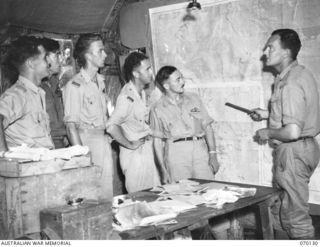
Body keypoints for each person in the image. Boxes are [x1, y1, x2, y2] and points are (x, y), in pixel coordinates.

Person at [250, 29, 320, 240]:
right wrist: (267, 114)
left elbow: (292, 131)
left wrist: (267, 131)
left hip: (293, 151)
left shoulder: (289, 83)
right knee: (280, 211)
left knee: (294, 218)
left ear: (286, 52)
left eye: (271, 47)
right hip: (304, 148)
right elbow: (299, 111)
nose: (265, 51)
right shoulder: (300, 74)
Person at [150, 66, 220, 184]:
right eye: (177, 80)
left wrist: (213, 154)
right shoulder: (158, 108)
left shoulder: (193, 99)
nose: (183, 82)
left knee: (208, 189)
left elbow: (207, 126)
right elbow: (157, 141)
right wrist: (163, 170)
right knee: (181, 194)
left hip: (199, 149)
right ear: (166, 86)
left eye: (181, 77)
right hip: (176, 153)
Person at [63, 34, 113, 199]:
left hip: (103, 140)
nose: (105, 55)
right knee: (91, 194)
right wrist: (83, 159)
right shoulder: (75, 85)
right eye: (100, 51)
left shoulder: (100, 81)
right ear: (88, 56)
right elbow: (71, 127)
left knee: (106, 193)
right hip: (87, 141)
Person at [106, 52, 160, 193]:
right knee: (140, 201)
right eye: (147, 69)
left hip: (146, 151)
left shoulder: (140, 93)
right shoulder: (126, 97)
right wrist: (129, 144)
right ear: (136, 74)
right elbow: (111, 127)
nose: (151, 72)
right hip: (136, 156)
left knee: (155, 198)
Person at [0, 36, 54, 151]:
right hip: (27, 167)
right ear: (31, 63)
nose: (49, 63)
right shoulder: (18, 94)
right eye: (45, 58)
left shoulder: (37, 93)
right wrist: (4, 156)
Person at [40, 37, 68, 148]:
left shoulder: (55, 83)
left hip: (61, 141)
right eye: (56, 55)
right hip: (45, 144)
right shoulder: (36, 87)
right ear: (45, 58)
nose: (61, 60)